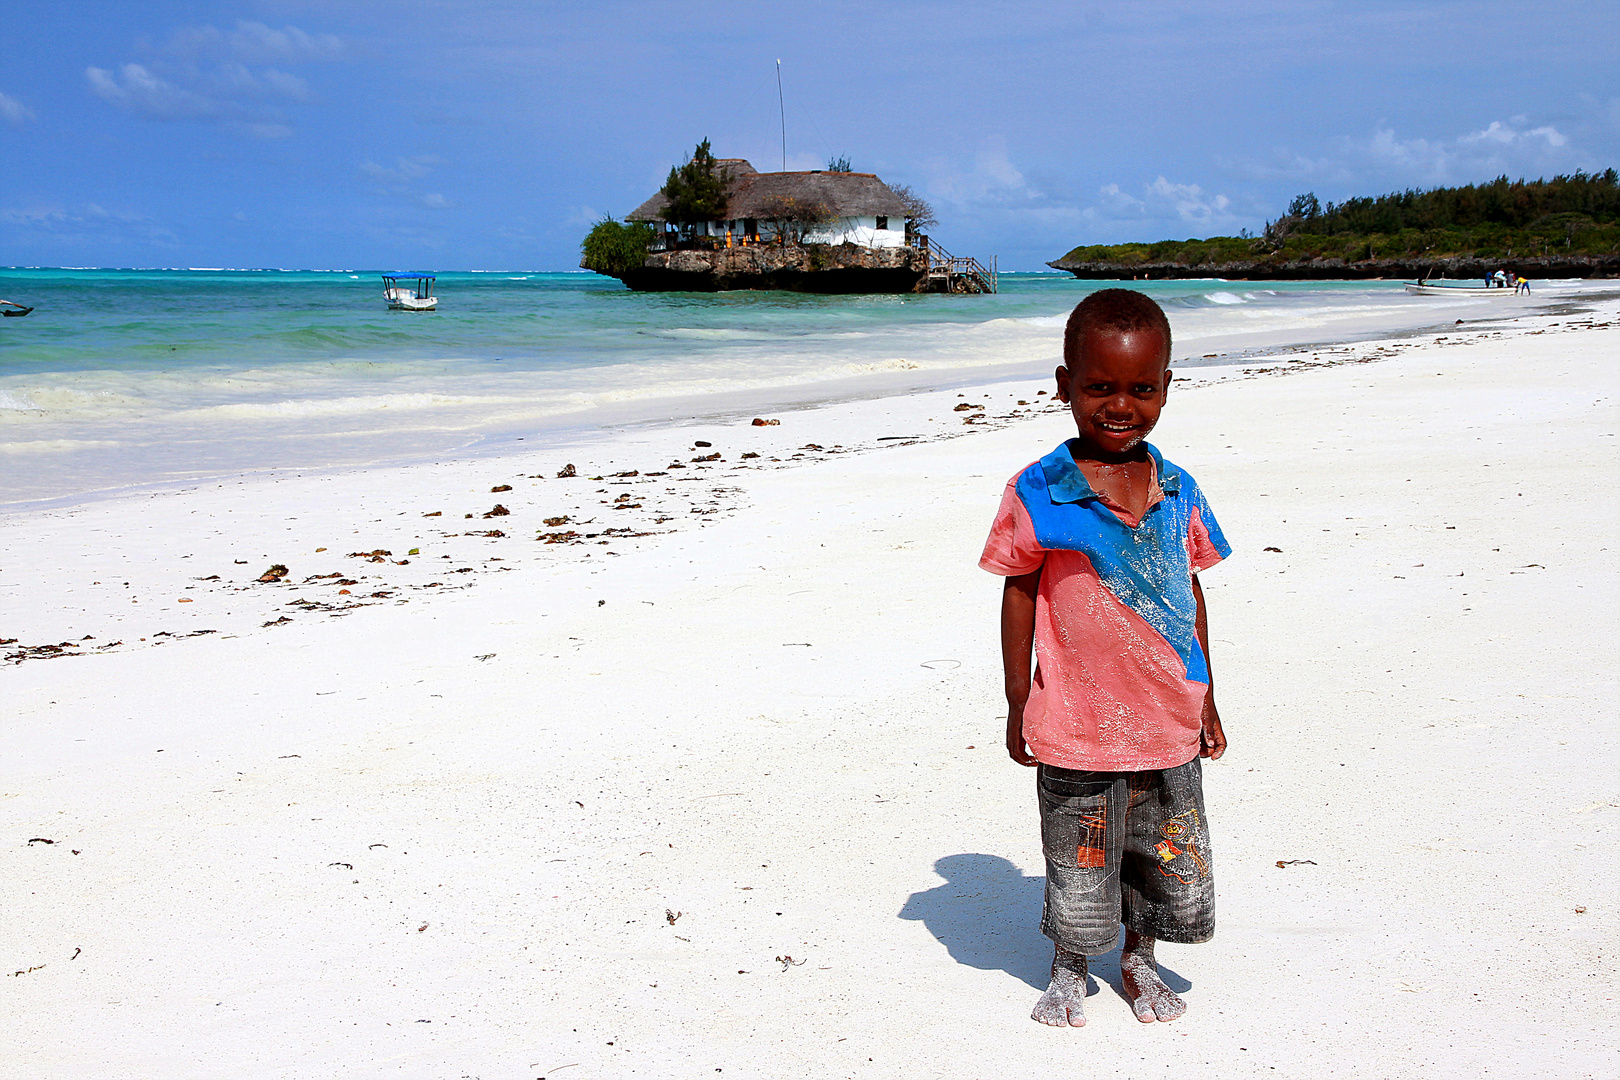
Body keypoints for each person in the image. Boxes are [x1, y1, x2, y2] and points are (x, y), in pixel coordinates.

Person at [980, 288, 1232, 1028]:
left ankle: (1140, 954)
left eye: (1140, 388)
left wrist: (1208, 693)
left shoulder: (1178, 488)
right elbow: (1019, 593)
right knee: (1080, 849)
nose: (1119, 405)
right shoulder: (1040, 491)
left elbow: (1188, 592)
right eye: (1098, 387)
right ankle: (1068, 965)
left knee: (1158, 847)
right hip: (1077, 718)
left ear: (1164, 388)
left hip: (1165, 716)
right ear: (1065, 386)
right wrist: (1017, 699)